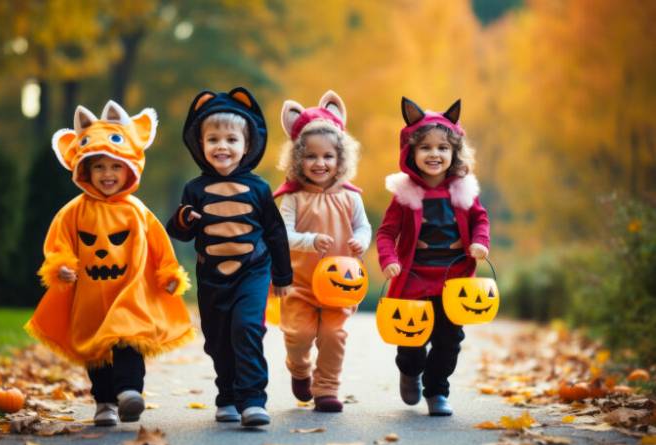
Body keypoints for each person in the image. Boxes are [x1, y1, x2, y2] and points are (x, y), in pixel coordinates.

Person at [25, 101, 194, 427]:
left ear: (129, 168)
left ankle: (130, 392)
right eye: (99, 167)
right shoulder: (73, 212)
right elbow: (58, 243)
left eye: (115, 167)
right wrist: (60, 266)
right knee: (97, 349)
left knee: (130, 338)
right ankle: (104, 402)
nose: (107, 174)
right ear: (84, 171)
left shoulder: (137, 211)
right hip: (91, 293)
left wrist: (169, 272)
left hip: (130, 291)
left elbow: (159, 243)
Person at [167, 87, 292, 427]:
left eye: (231, 139)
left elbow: (276, 234)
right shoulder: (194, 189)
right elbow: (179, 232)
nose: (222, 146)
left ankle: (252, 399)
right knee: (218, 338)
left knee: (247, 328)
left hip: (252, 272)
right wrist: (184, 219)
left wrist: (282, 277)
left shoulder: (259, 189)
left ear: (247, 145)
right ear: (200, 144)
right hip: (212, 278)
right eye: (213, 139)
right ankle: (227, 395)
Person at [376, 97, 490, 416]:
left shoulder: (464, 190)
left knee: (449, 339)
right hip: (414, 280)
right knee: (412, 340)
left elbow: (480, 219)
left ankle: (437, 389)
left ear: (454, 153)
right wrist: (389, 260)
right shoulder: (404, 194)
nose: (434, 154)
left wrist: (480, 242)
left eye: (442, 148)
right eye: (425, 147)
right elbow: (386, 233)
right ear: (411, 153)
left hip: (453, 282)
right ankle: (410, 370)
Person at [273, 90, 371, 412]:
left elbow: (363, 226)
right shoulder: (293, 198)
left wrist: (360, 240)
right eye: (311, 156)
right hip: (298, 283)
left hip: (340, 285)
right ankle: (299, 368)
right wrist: (310, 241)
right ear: (297, 159)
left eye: (328, 156)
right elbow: (283, 234)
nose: (320, 163)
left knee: (334, 336)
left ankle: (327, 387)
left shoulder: (351, 197)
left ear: (340, 160)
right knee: (298, 335)